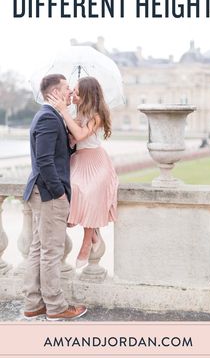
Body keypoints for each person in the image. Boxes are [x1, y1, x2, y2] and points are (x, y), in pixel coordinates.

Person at [23, 74, 92, 321]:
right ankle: (55, 307)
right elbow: (44, 161)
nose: (70, 91)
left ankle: (33, 304)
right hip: (49, 193)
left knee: (39, 248)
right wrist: (59, 192)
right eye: (66, 88)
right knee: (51, 251)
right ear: (54, 92)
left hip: (41, 192)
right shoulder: (48, 119)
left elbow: (55, 153)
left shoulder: (51, 117)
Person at [48, 76, 118, 269]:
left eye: (78, 92)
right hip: (79, 160)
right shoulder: (78, 111)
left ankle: (86, 243)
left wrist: (64, 112)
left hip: (95, 161)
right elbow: (72, 138)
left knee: (89, 192)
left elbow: (79, 135)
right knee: (74, 189)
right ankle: (94, 232)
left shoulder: (97, 115)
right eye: (74, 91)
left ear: (88, 94)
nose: (74, 94)